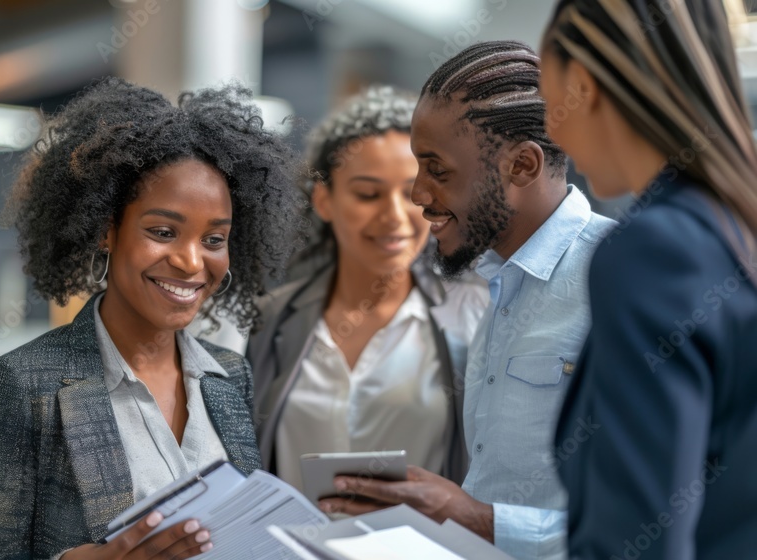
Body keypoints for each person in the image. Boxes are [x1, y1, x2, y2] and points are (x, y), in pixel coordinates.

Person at [0, 77, 304, 559]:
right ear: (105, 230)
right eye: (163, 231)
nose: (190, 261)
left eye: (214, 239)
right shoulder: (25, 384)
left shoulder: (230, 377)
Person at [317, 41, 616, 560]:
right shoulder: (498, 285)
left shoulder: (617, 282)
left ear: (522, 165)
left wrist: (476, 520)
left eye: (438, 169)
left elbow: (665, 520)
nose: (417, 193)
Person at [540, 2, 757, 558]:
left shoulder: (654, 251)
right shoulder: (734, 225)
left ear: (583, 86)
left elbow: (638, 540)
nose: (550, 129)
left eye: (549, 101)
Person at [247, 86, 487, 492]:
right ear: (324, 200)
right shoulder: (269, 318)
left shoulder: (475, 316)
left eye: (413, 193)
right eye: (368, 194)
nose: (394, 215)